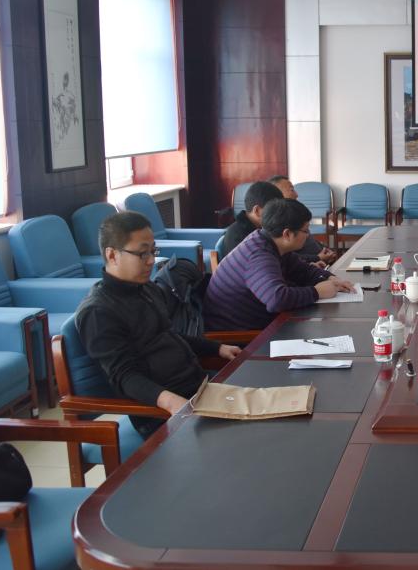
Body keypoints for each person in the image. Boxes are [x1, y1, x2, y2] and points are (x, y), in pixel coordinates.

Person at [76, 212, 241, 438]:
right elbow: (125, 376)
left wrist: (217, 348)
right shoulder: (98, 312)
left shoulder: (147, 289)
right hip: (161, 412)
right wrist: (173, 403)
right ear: (112, 255)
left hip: (198, 386)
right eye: (142, 253)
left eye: (153, 251)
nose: (151, 261)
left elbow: (171, 335)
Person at [203, 199, 356, 331]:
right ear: (287, 234)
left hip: (262, 321)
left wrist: (331, 278)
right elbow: (276, 300)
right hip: (238, 335)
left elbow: (302, 270)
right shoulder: (259, 255)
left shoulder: (270, 242)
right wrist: (317, 292)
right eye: (305, 230)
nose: (309, 235)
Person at [269, 174, 337, 265]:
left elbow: (310, 238)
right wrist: (318, 258)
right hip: (313, 265)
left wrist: (325, 249)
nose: (296, 195)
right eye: (291, 190)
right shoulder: (277, 224)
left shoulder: (294, 214)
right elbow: (289, 258)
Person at [220, 180, 283, 260]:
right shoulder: (239, 236)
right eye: (274, 211)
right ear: (257, 211)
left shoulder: (261, 229)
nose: (277, 216)